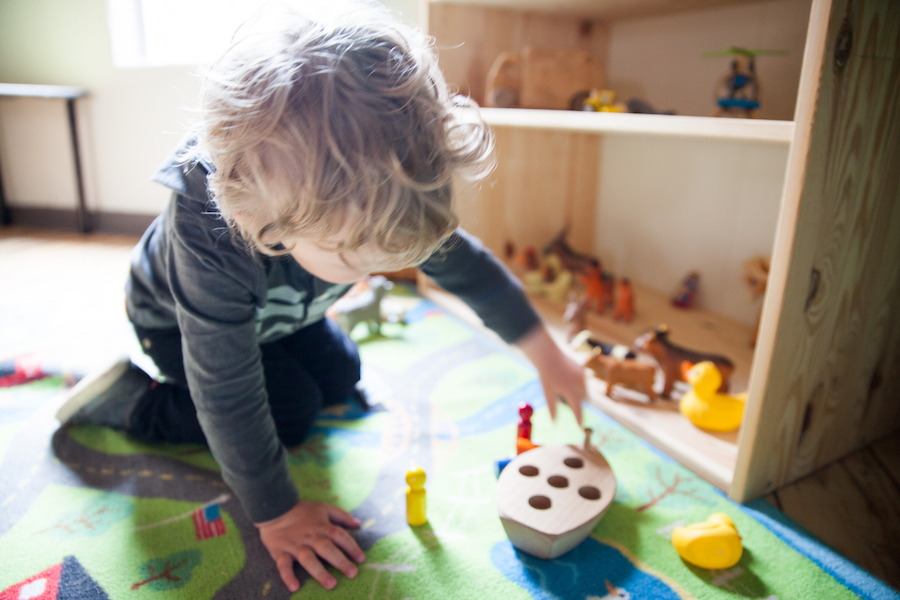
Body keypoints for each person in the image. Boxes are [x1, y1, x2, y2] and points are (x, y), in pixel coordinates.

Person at [56, 1, 588, 593]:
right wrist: (277, 513)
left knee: (342, 374)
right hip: (181, 330)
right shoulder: (208, 226)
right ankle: (134, 406)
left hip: (281, 313)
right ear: (272, 221)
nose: (374, 270)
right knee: (291, 411)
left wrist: (548, 354)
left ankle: (295, 356)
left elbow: (469, 269)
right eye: (356, 259)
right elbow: (226, 386)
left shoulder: (369, 202)